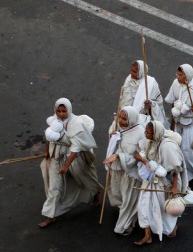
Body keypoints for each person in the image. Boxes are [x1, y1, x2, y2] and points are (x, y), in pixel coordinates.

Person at [39, 98, 102, 228]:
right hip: (55, 159)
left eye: (64, 111)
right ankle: (50, 216)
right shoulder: (54, 120)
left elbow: (75, 148)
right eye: (58, 111)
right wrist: (47, 152)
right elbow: (50, 138)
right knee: (54, 188)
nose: (61, 114)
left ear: (69, 110)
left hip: (72, 159)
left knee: (85, 179)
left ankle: (95, 193)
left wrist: (66, 166)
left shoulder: (75, 124)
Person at [133, 121, 188, 245]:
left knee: (163, 210)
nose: (145, 134)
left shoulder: (168, 147)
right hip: (150, 181)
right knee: (144, 207)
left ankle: (171, 228)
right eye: (145, 131)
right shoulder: (149, 142)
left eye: (148, 132)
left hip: (164, 183)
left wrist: (174, 187)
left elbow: (176, 170)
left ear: (155, 133)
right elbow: (138, 153)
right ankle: (147, 235)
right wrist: (142, 159)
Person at [103, 106, 146, 235]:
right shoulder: (117, 126)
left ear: (132, 119)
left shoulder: (140, 133)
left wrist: (117, 156)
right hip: (116, 168)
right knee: (116, 193)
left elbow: (138, 155)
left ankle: (125, 225)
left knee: (128, 199)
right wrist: (113, 136)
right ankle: (130, 213)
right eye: (120, 117)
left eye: (124, 118)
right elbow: (113, 139)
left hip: (130, 173)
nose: (120, 121)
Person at [117, 60, 167, 129]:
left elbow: (159, 103)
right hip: (125, 117)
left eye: (134, 71)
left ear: (141, 72)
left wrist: (150, 105)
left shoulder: (150, 83)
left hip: (142, 122)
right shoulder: (128, 80)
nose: (131, 73)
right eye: (131, 70)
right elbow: (124, 98)